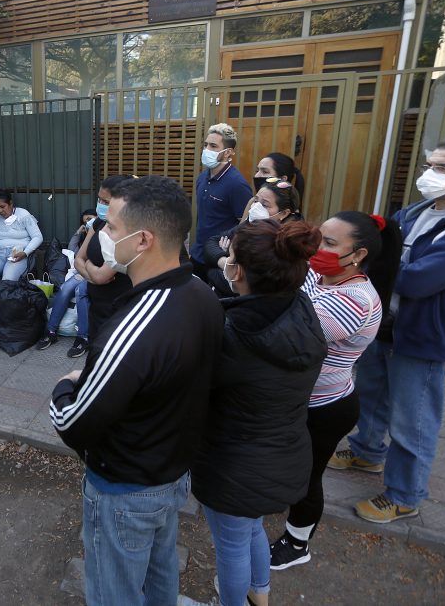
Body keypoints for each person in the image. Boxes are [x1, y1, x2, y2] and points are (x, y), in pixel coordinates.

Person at [49, 175, 223, 606]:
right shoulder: (202, 294)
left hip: (124, 488)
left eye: (111, 227)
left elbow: (74, 424)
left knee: (115, 591)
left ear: (143, 239)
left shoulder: (132, 327)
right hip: (172, 472)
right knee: (160, 573)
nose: (103, 234)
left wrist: (65, 387)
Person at [330, 138, 445, 524]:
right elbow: (378, 246)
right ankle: (367, 451)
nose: (430, 174)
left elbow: (419, 280)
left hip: (423, 334)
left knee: (412, 418)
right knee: (371, 393)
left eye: (443, 168)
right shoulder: (418, 210)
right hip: (386, 322)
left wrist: (365, 263)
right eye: (430, 165)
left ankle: (405, 495)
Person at [189, 220, 327, 606]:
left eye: (230, 257)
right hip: (284, 453)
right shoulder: (301, 309)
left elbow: (192, 391)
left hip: (233, 466)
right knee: (251, 530)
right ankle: (259, 595)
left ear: (238, 271)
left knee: (231, 545)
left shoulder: (233, 335)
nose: (226, 262)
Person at [269, 211, 401, 570]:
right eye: (317, 237)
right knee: (290, 466)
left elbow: (285, 333)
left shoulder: (355, 299)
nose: (316, 247)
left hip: (324, 407)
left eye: (328, 243)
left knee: (307, 477)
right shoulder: (320, 274)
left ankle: (297, 543)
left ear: (357, 254)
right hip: (301, 399)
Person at [203, 179, 304, 297]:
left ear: (284, 213)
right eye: (256, 201)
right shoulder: (251, 223)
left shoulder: (284, 243)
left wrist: (220, 262)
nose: (256, 207)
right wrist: (226, 262)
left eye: (265, 205)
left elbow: (242, 284)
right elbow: (211, 243)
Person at [0, 191, 43, 334]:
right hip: (0, 253)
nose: (0, 211)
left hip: (19, 253)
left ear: (11, 203)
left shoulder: (23, 215)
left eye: (3, 207)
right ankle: (4, 299)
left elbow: (38, 237)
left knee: (6, 282)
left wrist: (26, 252)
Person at [74, 176, 135, 339]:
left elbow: (101, 276)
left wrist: (88, 265)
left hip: (119, 306)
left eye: (106, 202)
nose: (100, 205)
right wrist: (91, 275)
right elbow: (78, 259)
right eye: (99, 199)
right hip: (96, 305)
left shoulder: (128, 229)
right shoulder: (99, 223)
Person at [192, 123, 252, 281]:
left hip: (219, 258)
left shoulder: (237, 184)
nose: (207, 150)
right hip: (197, 253)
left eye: (213, 146)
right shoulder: (202, 178)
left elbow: (246, 224)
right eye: (206, 145)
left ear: (228, 152)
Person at [36, 210, 94, 358]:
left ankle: (83, 337)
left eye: (90, 219)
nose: (88, 223)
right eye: (85, 221)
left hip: (97, 274)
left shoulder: (105, 235)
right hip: (81, 273)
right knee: (65, 288)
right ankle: (51, 331)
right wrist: (79, 232)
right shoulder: (85, 238)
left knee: (80, 291)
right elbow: (73, 251)